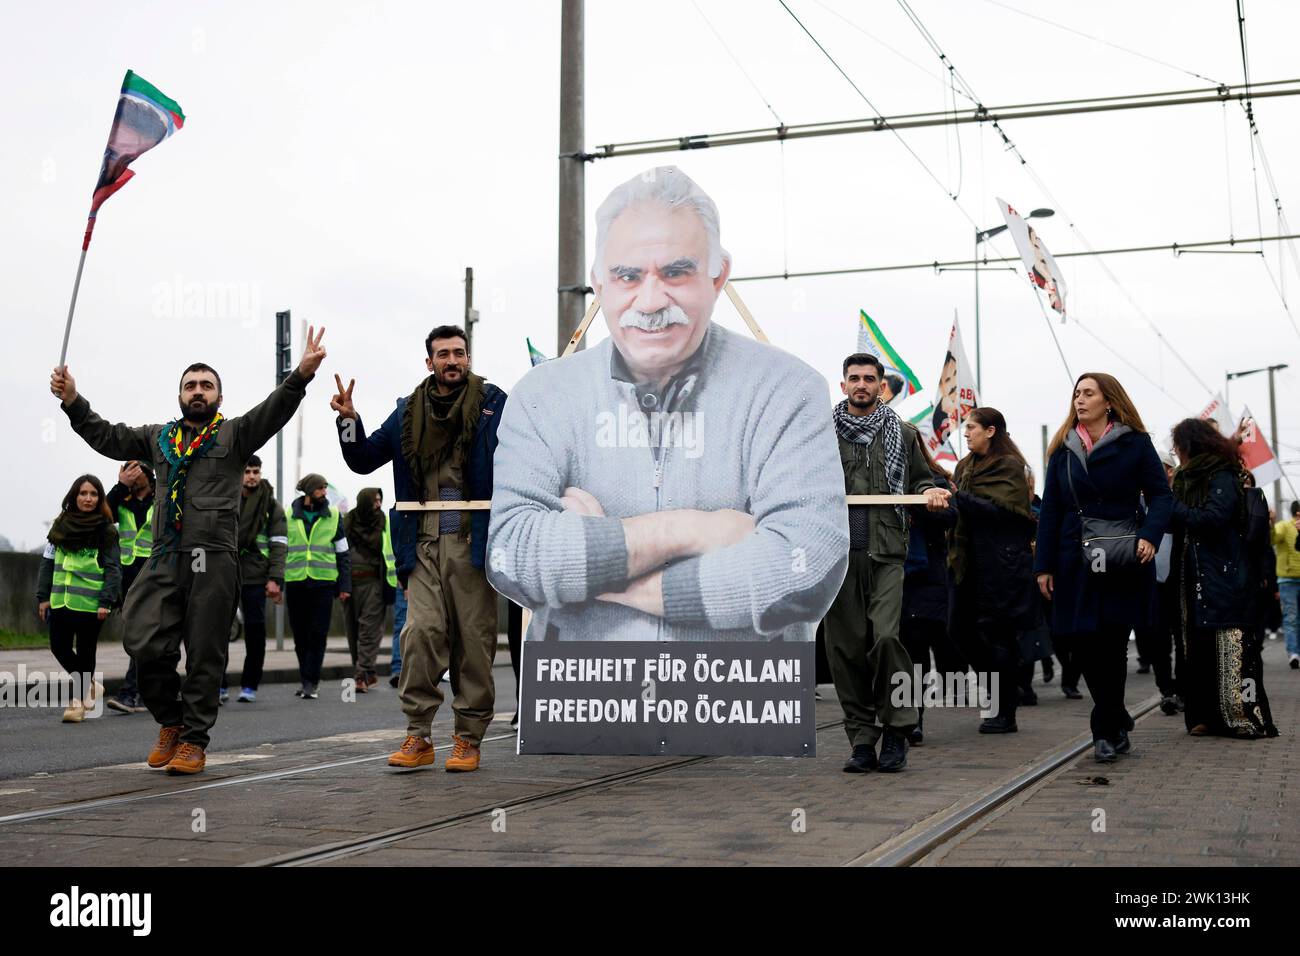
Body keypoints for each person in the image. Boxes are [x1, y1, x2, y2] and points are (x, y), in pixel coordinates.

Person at [487, 166, 849, 652]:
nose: (651, 300)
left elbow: (806, 567)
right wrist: (694, 531)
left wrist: (597, 567)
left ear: (718, 275)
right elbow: (513, 556)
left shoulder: (788, 391)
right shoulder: (541, 397)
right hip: (585, 716)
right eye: (627, 276)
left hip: (739, 717)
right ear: (599, 283)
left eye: (676, 272)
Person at [49, 327, 326, 774]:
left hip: (213, 559)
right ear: (179, 394)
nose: (198, 392)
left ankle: (194, 740)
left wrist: (300, 376)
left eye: (206, 386)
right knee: (141, 638)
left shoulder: (234, 435)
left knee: (205, 652)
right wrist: (73, 402)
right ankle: (171, 722)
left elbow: (272, 413)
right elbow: (108, 437)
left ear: (219, 395)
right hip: (165, 556)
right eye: (190, 386)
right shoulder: (159, 438)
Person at [331, 324, 505, 772]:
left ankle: (468, 738)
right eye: (443, 354)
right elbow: (363, 459)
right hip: (423, 541)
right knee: (419, 633)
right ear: (428, 362)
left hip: (473, 540)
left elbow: (522, 456)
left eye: (459, 353)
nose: (452, 361)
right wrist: (348, 421)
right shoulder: (408, 412)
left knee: (473, 641)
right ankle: (419, 734)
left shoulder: (492, 405)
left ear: (469, 358)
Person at [1034, 373, 1172, 763]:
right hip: (1074, 557)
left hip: (1124, 555)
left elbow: (1161, 496)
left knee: (1112, 642)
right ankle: (1115, 713)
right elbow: (1051, 510)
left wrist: (1149, 535)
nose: (1080, 399)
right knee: (1082, 642)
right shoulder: (1062, 449)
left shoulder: (1135, 443)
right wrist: (1043, 565)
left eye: (1088, 393)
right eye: (1076, 393)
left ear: (1108, 401)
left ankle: (1105, 730)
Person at [828, 353, 948, 774]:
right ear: (843, 385)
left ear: (882, 386)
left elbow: (921, 479)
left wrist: (931, 491)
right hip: (839, 557)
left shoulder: (903, 432)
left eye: (870, 378)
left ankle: (897, 729)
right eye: (854, 378)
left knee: (885, 640)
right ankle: (861, 739)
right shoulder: (819, 435)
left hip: (886, 555)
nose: (861, 384)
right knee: (845, 650)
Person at [1168, 419, 1277, 738]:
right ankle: (1203, 717)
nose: (1176, 452)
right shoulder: (1185, 479)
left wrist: (1172, 507)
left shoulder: (1223, 474)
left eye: (1178, 445)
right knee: (1197, 646)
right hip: (1193, 573)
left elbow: (1213, 519)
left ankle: (1239, 716)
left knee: (1229, 643)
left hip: (1223, 572)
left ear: (1191, 445)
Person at [937, 408, 1038, 734]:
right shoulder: (965, 466)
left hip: (999, 565)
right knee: (958, 630)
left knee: (999, 636)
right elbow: (960, 509)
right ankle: (1002, 691)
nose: (966, 433)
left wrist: (960, 498)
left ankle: (1005, 708)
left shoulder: (1009, 466)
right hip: (964, 563)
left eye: (972, 427)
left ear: (991, 431)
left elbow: (1005, 513)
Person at [36, 475, 122, 722]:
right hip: (60, 600)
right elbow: (47, 562)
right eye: (83, 493)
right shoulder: (59, 525)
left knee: (86, 652)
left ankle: (77, 701)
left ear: (100, 498)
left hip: (91, 604)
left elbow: (113, 568)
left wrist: (106, 600)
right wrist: (43, 596)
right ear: (74, 496)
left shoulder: (106, 531)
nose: (88, 498)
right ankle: (90, 685)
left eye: (93, 494)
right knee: (59, 647)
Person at [899, 436, 960, 746]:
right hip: (888, 573)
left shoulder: (935, 480)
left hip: (925, 577)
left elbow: (950, 515)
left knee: (916, 650)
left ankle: (913, 717)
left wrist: (917, 498)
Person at [220, 455, 286, 703]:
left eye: (255, 471)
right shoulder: (226, 498)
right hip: (225, 572)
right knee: (218, 631)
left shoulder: (271, 505)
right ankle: (220, 684)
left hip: (257, 575)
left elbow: (279, 545)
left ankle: (250, 685)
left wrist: (275, 578)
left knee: (256, 632)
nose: (251, 476)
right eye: (247, 471)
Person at [284, 474, 351, 699]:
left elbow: (343, 554)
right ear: (309, 491)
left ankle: (311, 681)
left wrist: (345, 585)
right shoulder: (288, 515)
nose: (324, 492)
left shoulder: (333, 515)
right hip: (295, 581)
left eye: (325, 488)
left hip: (323, 582)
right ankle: (306, 678)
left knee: (318, 633)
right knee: (300, 635)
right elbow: (280, 549)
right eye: (321, 488)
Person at [104, 459, 154, 714]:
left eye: (136, 469)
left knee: (144, 636)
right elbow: (101, 516)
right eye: (127, 470)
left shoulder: (163, 497)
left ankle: (130, 692)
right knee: (140, 636)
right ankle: (144, 693)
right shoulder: (121, 501)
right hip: (129, 576)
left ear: (148, 472)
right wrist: (119, 486)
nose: (132, 474)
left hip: (157, 574)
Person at [344, 486, 396, 692]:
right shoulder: (347, 522)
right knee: (352, 631)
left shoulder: (383, 523)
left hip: (375, 583)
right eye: (374, 500)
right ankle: (367, 671)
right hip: (350, 585)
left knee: (369, 630)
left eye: (379, 500)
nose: (378, 504)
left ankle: (361, 674)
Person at [1272, 500, 1300, 669]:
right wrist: (1271, 522)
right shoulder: (1283, 526)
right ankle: (1293, 653)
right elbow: (1272, 538)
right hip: (1288, 580)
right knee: (1291, 618)